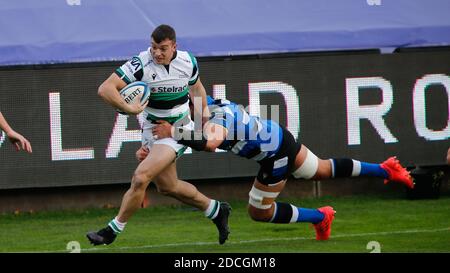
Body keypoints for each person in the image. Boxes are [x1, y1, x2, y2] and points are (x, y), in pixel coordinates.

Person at [149, 96, 415, 240]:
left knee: (258, 212)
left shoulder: (217, 119)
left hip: (275, 155)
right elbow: (194, 136)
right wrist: (155, 146)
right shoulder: (212, 106)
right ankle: (385, 169)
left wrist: (172, 130)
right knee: (321, 170)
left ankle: (320, 217)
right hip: (279, 137)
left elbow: (211, 142)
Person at [87, 25, 231, 246]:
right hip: (152, 130)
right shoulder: (140, 63)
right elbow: (105, 89)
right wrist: (130, 108)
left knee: (141, 177)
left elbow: (197, 90)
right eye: (154, 47)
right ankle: (216, 209)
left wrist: (202, 124)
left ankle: (111, 231)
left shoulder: (188, 62)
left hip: (177, 130)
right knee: (168, 187)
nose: (157, 53)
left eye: (163, 48)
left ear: (174, 46)